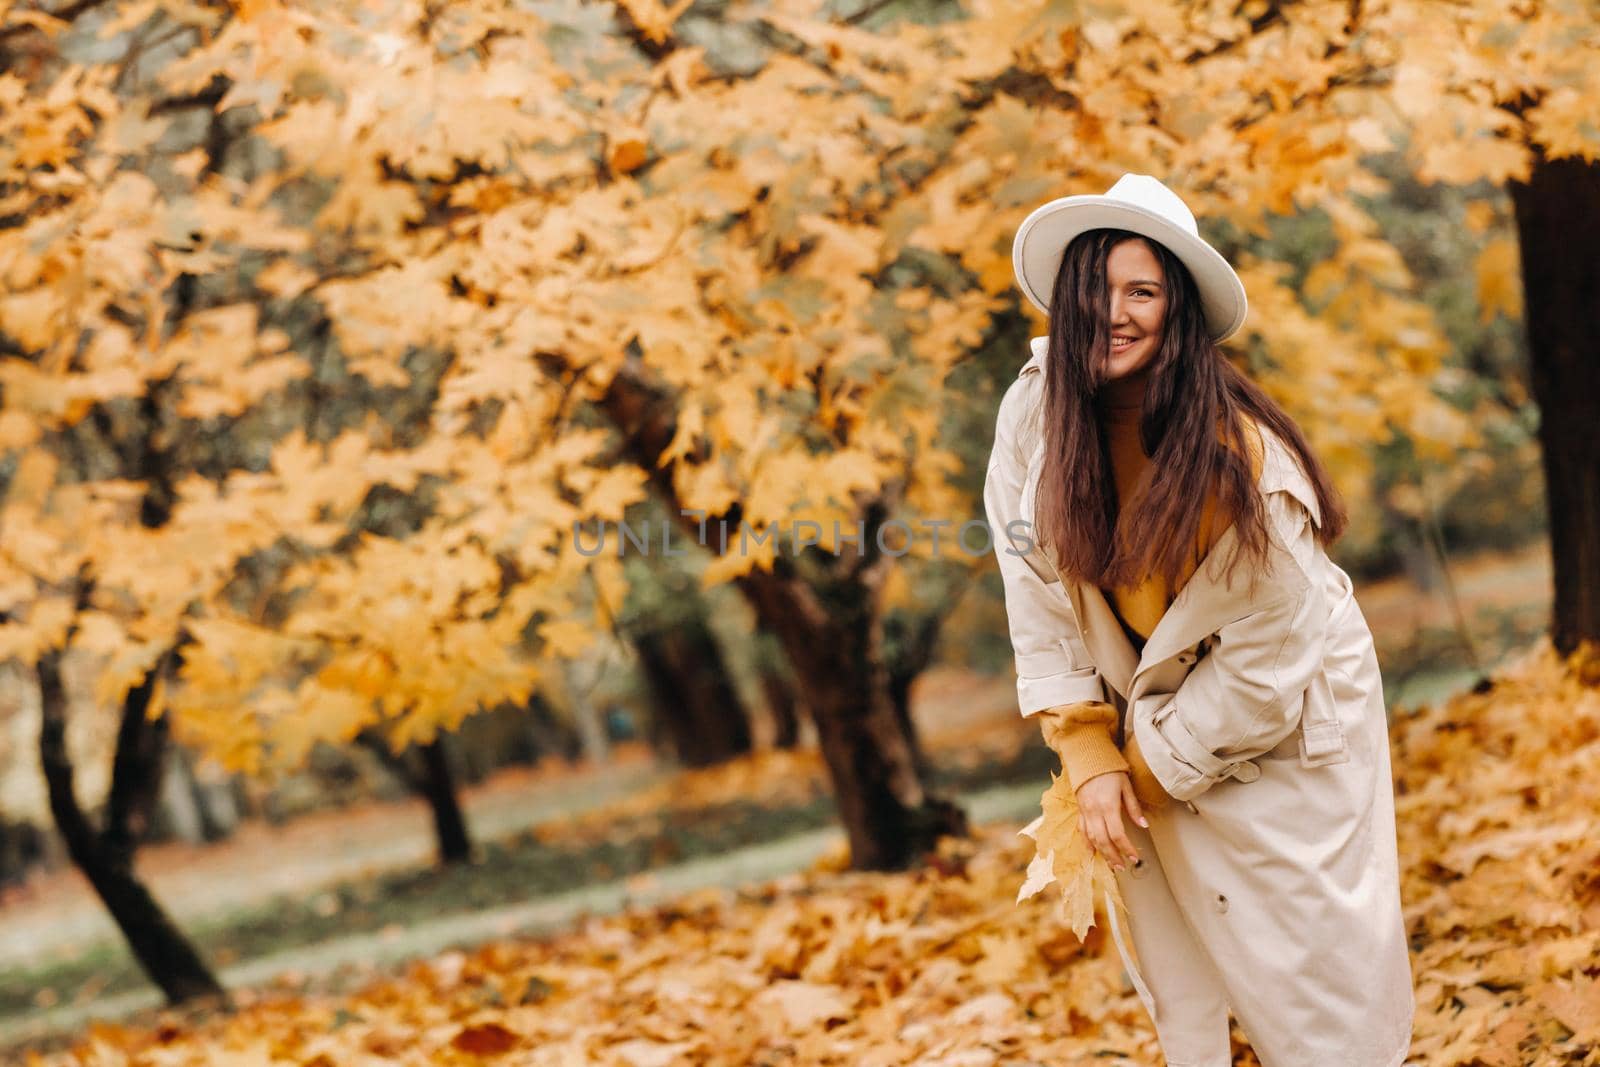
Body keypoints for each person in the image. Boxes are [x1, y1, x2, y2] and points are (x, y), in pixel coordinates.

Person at [984, 173, 1414, 1067]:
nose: (1115, 312)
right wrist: (1089, 751)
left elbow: (1267, 656)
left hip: (1285, 714)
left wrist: (1145, 768)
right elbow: (1036, 591)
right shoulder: (1034, 413)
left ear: (1176, 308)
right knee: (1184, 985)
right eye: (1096, 290)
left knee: (1316, 985)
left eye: (1140, 290)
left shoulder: (1243, 459)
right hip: (1138, 722)